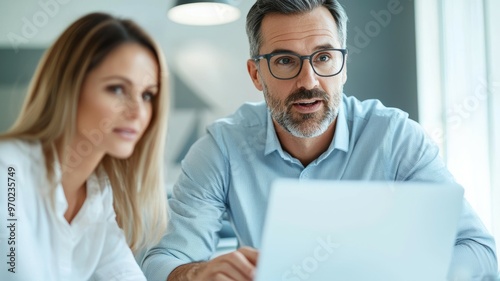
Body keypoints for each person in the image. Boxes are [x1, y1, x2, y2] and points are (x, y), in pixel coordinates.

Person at [141, 0, 498, 280]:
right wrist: (196, 274)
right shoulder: (223, 146)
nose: (308, 81)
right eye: (284, 61)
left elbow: (480, 252)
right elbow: (163, 261)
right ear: (256, 74)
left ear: (344, 66)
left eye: (324, 57)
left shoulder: (396, 137)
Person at [0, 12, 169, 281]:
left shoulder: (97, 192)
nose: (138, 112)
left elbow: (122, 274)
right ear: (69, 87)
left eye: (147, 94)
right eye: (116, 89)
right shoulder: (7, 172)